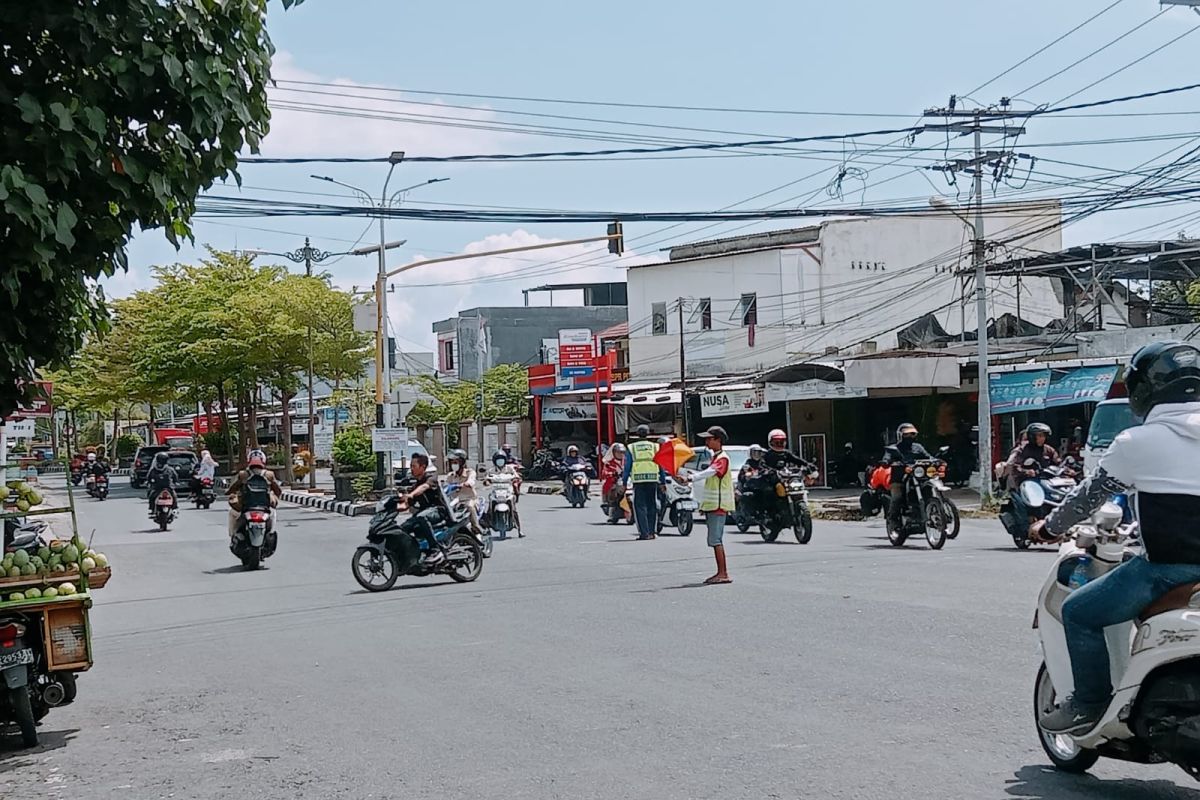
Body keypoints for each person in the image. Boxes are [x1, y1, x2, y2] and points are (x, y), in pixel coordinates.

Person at [1036, 341, 1200, 736]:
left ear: (1143, 390)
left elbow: (1087, 498)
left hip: (1166, 571)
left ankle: (1088, 705)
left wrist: (1048, 528)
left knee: (1079, 611)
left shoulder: (1137, 442)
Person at [691, 426, 734, 585]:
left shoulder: (722, 458)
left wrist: (692, 477)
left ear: (718, 440)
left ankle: (723, 573)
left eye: (710, 438)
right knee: (714, 540)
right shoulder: (716, 457)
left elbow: (711, 472)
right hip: (713, 505)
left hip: (719, 505)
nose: (706, 441)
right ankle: (721, 572)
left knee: (716, 540)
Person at [397, 452, 454, 563]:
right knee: (404, 527)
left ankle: (435, 550)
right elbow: (406, 505)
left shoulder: (432, 478)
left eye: (414, 466)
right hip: (425, 513)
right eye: (410, 466)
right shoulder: (415, 485)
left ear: (423, 467)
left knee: (421, 517)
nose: (411, 469)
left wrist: (411, 494)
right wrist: (391, 508)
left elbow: (424, 487)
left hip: (439, 511)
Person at [1004, 422, 1062, 529]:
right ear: (1032, 436)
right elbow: (1014, 465)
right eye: (1039, 436)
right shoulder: (1022, 450)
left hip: (1045, 481)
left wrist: (1067, 469)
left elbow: (1058, 462)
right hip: (1026, 482)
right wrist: (1026, 471)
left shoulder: (1048, 450)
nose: (1042, 439)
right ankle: (1028, 521)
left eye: (1043, 436)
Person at [882, 423, 933, 524]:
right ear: (900, 436)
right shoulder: (893, 448)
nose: (910, 437)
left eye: (912, 434)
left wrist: (935, 460)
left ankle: (935, 512)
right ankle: (892, 520)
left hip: (918, 476)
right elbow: (886, 458)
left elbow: (928, 457)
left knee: (928, 488)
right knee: (897, 497)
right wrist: (887, 461)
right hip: (899, 479)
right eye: (906, 434)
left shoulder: (918, 447)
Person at [225, 449, 283, 537]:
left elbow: (233, 487)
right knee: (273, 512)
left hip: (246, 508)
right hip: (265, 508)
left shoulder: (243, 474)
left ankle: (233, 534)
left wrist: (229, 492)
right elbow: (278, 491)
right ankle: (270, 533)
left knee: (231, 512)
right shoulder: (269, 474)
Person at [623, 425, 665, 540]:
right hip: (652, 479)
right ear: (648, 433)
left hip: (638, 480)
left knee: (640, 507)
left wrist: (624, 482)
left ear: (637, 434)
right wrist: (663, 481)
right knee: (652, 506)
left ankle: (644, 533)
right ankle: (652, 532)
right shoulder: (655, 447)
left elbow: (627, 467)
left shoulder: (632, 447)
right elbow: (661, 465)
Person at [445, 449, 482, 535]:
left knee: (469, 506)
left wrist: (466, 483)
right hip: (456, 502)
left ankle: (476, 527)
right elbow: (446, 485)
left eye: (456, 462)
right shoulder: (450, 476)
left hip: (470, 500)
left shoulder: (470, 472)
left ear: (462, 462)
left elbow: (471, 481)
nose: (454, 464)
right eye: (452, 462)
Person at [487, 449, 524, 536]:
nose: (500, 461)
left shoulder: (509, 468)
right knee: (489, 509)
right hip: (495, 492)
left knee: (514, 509)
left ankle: (519, 529)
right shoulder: (491, 470)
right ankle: (486, 526)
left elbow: (516, 476)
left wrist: (516, 478)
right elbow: (486, 479)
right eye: (498, 459)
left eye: (502, 459)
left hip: (507, 491)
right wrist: (487, 482)